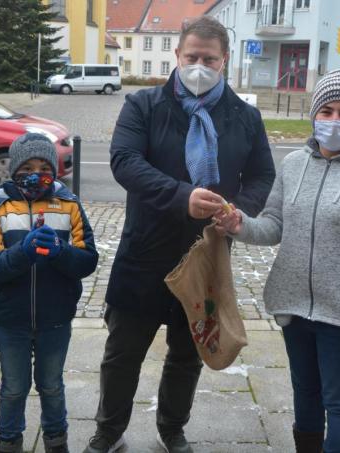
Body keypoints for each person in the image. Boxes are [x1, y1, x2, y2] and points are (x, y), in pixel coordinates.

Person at [83, 16, 276, 453]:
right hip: (144, 251)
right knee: (122, 352)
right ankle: (109, 430)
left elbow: (263, 175)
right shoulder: (144, 105)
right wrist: (180, 196)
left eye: (209, 59)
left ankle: (172, 428)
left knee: (188, 354)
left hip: (206, 255)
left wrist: (239, 211)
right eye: (192, 57)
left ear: (224, 60)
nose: (199, 67)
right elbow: (125, 161)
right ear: (177, 55)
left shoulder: (244, 117)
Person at [215, 70, 340, 453]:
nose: (335, 120)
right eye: (326, 111)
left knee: (339, 402)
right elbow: (273, 225)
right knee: (305, 393)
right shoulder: (294, 164)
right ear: (314, 115)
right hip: (295, 307)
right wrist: (241, 224)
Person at [0, 133, 99, 453]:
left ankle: (56, 441)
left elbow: (87, 260)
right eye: (27, 168)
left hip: (55, 316)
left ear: (54, 171)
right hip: (10, 318)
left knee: (52, 385)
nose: (36, 174)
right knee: (13, 388)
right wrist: (23, 253)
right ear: (14, 168)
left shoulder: (68, 203)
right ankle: (9, 441)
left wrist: (60, 252)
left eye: (44, 167)